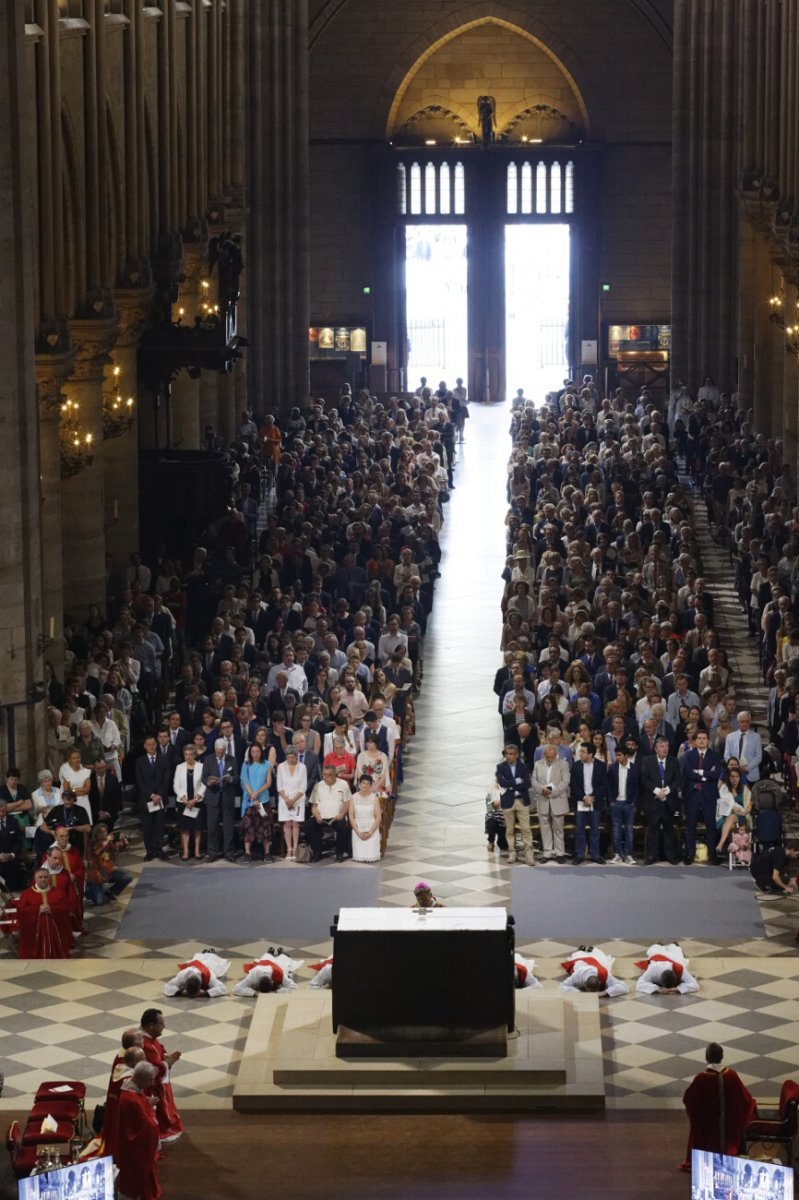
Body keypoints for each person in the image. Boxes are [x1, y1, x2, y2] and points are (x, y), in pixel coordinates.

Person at [680, 1042, 756, 1168]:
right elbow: (744, 1100)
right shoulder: (731, 1075)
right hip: (728, 1125)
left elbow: (689, 1100)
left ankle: (707, 1162)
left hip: (707, 1125)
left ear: (706, 1057)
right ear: (722, 1056)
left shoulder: (701, 1078)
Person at [115, 1061, 162, 1200]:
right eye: (151, 1079)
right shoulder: (131, 1099)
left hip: (132, 1149)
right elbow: (146, 1126)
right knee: (135, 1181)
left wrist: (147, 1104)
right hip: (133, 1151)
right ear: (142, 1078)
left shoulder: (133, 1090)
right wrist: (153, 1119)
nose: (152, 1083)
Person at [139, 1008, 183, 1143]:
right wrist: (167, 1062)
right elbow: (155, 1069)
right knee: (161, 1111)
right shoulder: (145, 1043)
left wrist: (165, 1058)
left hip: (158, 1082)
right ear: (151, 1025)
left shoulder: (150, 1039)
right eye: (161, 1024)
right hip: (152, 1086)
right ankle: (163, 1127)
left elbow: (159, 1054)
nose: (164, 1026)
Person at [638, 735, 682, 864]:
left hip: (669, 801)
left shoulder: (674, 762)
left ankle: (670, 856)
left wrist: (666, 791)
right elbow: (644, 780)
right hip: (653, 801)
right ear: (656, 748)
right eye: (662, 746)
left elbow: (677, 779)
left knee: (669, 830)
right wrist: (657, 791)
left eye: (667, 746)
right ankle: (652, 856)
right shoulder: (648, 761)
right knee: (653, 830)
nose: (665, 749)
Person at [16, 866, 72, 958]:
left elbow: (65, 907)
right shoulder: (26, 894)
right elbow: (21, 910)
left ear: (49, 878)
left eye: (46, 877)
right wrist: (37, 909)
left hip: (56, 927)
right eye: (40, 877)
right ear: (35, 878)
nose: (43, 879)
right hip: (34, 930)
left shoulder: (59, 892)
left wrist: (52, 909)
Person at [530, 742, 570, 863]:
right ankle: (547, 853)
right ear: (544, 755)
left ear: (556, 755)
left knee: (558, 828)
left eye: (552, 757)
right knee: (544, 828)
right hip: (543, 800)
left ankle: (560, 853)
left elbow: (565, 781)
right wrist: (542, 790)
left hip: (557, 799)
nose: (550, 759)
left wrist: (552, 792)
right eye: (547, 757)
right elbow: (534, 781)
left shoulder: (563, 764)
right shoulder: (538, 764)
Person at [200, 736, 238, 862]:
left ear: (225, 749)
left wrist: (231, 779)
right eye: (218, 752)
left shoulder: (232, 760)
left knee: (228, 827)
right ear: (215, 749)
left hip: (227, 797)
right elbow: (204, 778)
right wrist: (209, 782)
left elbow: (237, 778)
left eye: (222, 752)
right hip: (213, 797)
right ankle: (212, 852)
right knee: (212, 826)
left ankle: (228, 851)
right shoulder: (208, 759)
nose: (220, 754)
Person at [496, 743, 535, 866]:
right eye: (507, 754)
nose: (508, 756)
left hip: (522, 801)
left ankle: (528, 853)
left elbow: (527, 784)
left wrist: (510, 784)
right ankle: (512, 852)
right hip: (508, 801)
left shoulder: (523, 767)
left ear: (517, 755)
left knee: (526, 829)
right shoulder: (500, 767)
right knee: (509, 830)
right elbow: (502, 783)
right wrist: (517, 781)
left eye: (511, 754)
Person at [570, 741, 608, 864]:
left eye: (583, 752)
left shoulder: (601, 766)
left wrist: (591, 797)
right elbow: (574, 785)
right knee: (579, 829)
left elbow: (603, 785)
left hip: (595, 801)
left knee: (595, 829)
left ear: (591, 754)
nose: (580, 753)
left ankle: (595, 854)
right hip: (580, 801)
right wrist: (584, 797)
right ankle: (580, 854)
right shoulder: (575, 766)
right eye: (580, 751)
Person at [135, 736, 171, 861]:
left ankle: (159, 849)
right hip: (147, 799)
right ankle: (149, 851)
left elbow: (166, 779)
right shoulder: (140, 761)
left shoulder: (164, 759)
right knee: (148, 827)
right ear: (145, 746)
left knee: (159, 826)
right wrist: (152, 795)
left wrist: (159, 794)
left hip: (160, 799)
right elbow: (139, 782)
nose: (151, 746)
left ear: (156, 745)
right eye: (148, 744)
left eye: (153, 744)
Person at [173, 743, 206, 862]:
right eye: (186, 754)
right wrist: (184, 799)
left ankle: (197, 850)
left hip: (197, 801)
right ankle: (186, 851)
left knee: (197, 828)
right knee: (185, 828)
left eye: (191, 754)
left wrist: (195, 799)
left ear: (195, 755)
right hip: (184, 802)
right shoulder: (179, 767)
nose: (188, 757)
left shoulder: (201, 766)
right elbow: (176, 785)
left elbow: (204, 784)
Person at [85, 822, 132, 906]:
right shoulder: (91, 844)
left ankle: (110, 892)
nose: (104, 834)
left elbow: (118, 848)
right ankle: (89, 891)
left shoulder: (109, 843)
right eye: (101, 832)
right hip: (96, 877)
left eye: (105, 831)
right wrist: (106, 841)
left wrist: (124, 842)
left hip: (108, 873)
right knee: (100, 901)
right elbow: (96, 852)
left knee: (127, 877)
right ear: (96, 834)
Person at [607, 742, 639, 864]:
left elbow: (637, 787)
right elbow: (609, 786)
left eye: (620, 755)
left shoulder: (634, 768)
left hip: (629, 804)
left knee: (629, 830)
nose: (617, 757)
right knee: (616, 830)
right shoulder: (613, 768)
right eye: (616, 755)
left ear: (626, 755)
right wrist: (611, 801)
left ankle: (628, 854)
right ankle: (618, 854)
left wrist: (634, 802)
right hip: (616, 803)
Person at [276, 745, 306, 861]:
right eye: (288, 757)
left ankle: (295, 848)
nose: (290, 760)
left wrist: (293, 800)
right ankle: (289, 849)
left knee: (296, 824)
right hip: (284, 800)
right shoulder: (281, 767)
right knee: (287, 824)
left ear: (296, 757)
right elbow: (279, 785)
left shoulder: (302, 767)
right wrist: (287, 799)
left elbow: (303, 787)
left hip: (297, 800)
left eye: (293, 757)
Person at [559, 947, 628, 997]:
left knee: (601, 959)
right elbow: (561, 987)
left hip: (596, 965)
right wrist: (579, 993)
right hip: (581, 963)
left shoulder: (605, 975)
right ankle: (580, 950)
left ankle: (592, 950)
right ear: (584, 984)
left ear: (600, 982)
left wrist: (604, 993)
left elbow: (624, 987)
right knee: (579, 955)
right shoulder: (577, 975)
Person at [634, 943, 699, 994]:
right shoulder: (653, 969)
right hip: (657, 957)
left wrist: (676, 989)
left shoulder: (680, 969)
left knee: (677, 951)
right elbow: (639, 984)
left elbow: (695, 986)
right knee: (655, 948)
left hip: (675, 960)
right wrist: (657, 989)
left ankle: (673, 945)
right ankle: (661, 944)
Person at [162, 950, 231, 998]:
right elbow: (168, 986)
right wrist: (181, 993)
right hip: (195, 965)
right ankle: (207, 953)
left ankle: (210, 953)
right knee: (202, 958)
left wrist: (204, 993)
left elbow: (223, 988)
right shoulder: (182, 976)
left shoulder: (210, 976)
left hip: (209, 966)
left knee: (212, 960)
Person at [232, 950, 303, 995]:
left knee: (283, 962)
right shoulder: (253, 975)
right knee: (266, 957)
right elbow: (236, 988)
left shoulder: (279, 974)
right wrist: (254, 993)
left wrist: (276, 992)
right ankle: (270, 952)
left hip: (277, 966)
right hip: (264, 962)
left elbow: (294, 987)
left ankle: (282, 953)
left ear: (272, 982)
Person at [348, 774, 382, 862]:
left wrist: (370, 832)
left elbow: (378, 817)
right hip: (358, 828)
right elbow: (351, 816)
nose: (365, 785)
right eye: (363, 783)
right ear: (359, 784)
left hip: (371, 827)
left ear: (371, 786)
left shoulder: (374, 798)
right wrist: (357, 831)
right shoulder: (353, 797)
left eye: (368, 784)